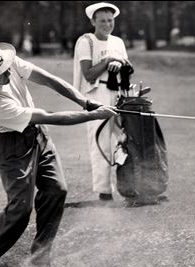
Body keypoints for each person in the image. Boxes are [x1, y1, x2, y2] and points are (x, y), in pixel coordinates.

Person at [0, 39, 117, 267]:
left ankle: (39, 260)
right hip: (11, 146)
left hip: (38, 136)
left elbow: (48, 79)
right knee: (21, 209)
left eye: (5, 69)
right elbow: (48, 116)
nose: (6, 74)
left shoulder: (10, 61)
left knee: (57, 190)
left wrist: (84, 101)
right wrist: (94, 115)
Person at [73, 2, 131, 201]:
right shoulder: (86, 41)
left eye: (110, 20)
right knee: (101, 141)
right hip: (96, 95)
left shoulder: (118, 42)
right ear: (93, 22)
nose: (107, 24)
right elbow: (88, 74)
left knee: (124, 139)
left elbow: (127, 67)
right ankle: (104, 191)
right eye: (102, 21)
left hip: (118, 94)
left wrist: (119, 62)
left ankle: (131, 186)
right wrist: (108, 61)